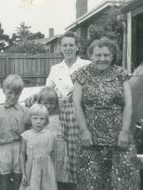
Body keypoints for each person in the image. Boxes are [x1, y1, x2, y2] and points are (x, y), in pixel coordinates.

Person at [72, 38, 140, 190]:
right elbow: (76, 104)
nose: (102, 59)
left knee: (123, 179)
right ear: (90, 55)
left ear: (112, 56)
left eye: (106, 55)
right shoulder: (81, 75)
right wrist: (84, 132)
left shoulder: (121, 74)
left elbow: (128, 104)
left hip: (118, 135)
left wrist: (124, 132)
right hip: (90, 135)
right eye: (98, 55)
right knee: (91, 181)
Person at [25, 31, 91, 187]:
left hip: (79, 110)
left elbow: (90, 88)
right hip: (59, 112)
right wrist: (34, 97)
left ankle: (79, 183)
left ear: (77, 47)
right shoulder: (56, 68)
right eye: (65, 45)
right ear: (60, 48)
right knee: (59, 149)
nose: (68, 48)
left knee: (77, 148)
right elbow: (47, 89)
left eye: (71, 45)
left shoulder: (86, 65)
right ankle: (59, 183)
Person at [0, 74, 29, 190]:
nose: (13, 96)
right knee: (4, 181)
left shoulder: (25, 111)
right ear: (4, 90)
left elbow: (29, 133)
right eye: (10, 92)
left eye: (16, 94)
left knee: (19, 179)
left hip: (19, 149)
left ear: (20, 93)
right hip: (3, 149)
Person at [37, 87, 72, 190]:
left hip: (59, 149)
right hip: (46, 150)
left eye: (51, 103)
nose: (48, 106)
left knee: (57, 176)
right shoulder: (38, 116)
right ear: (40, 102)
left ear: (56, 103)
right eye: (45, 103)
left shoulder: (59, 114)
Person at [19, 104, 57, 190]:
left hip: (47, 170)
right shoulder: (26, 135)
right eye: (35, 118)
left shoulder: (50, 134)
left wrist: (53, 172)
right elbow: (22, 154)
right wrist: (24, 173)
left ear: (46, 120)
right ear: (30, 119)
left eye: (42, 118)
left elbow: (54, 154)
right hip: (31, 170)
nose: (38, 121)